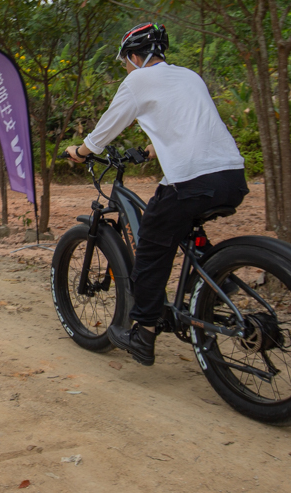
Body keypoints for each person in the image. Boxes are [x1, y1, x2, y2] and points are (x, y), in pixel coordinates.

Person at [66, 23, 248, 366]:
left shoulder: (137, 81)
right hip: (232, 176)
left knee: (150, 236)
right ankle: (219, 279)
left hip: (192, 180)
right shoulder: (189, 76)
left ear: (135, 56)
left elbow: (105, 130)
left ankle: (144, 332)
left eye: (125, 61)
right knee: (181, 224)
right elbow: (190, 124)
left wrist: (82, 150)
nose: (126, 68)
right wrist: (150, 151)